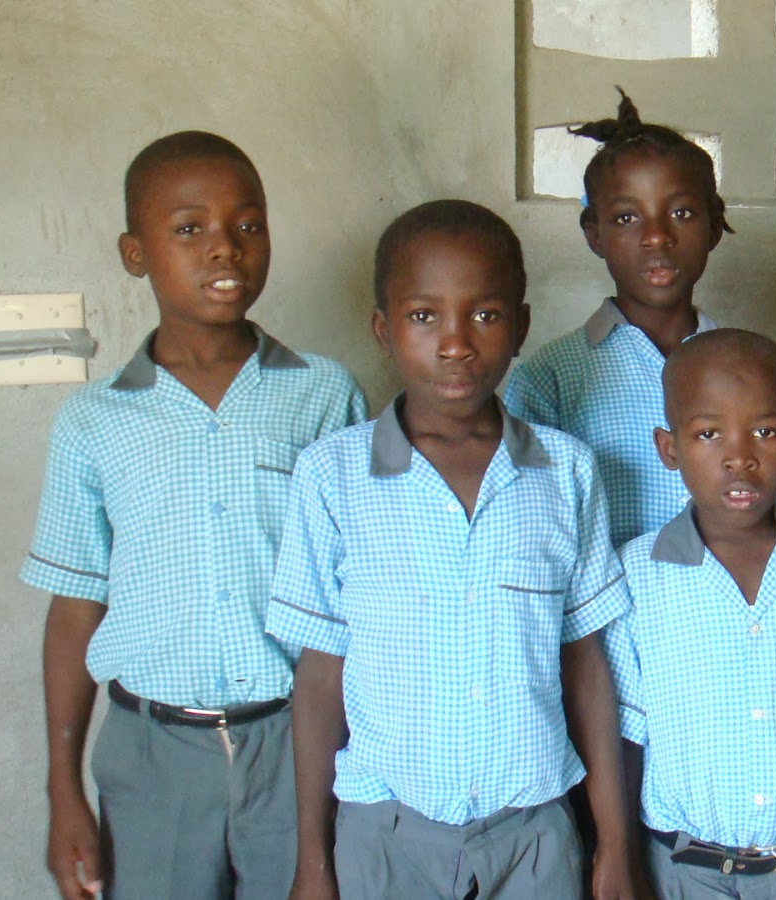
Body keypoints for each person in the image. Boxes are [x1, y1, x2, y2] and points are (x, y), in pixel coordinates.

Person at [25, 130, 367, 899]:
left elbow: (362, 589)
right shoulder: (95, 419)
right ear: (134, 252)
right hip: (152, 757)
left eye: (248, 226)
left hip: (299, 743)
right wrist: (63, 789)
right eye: (190, 230)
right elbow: (76, 608)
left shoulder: (323, 394)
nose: (225, 250)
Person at [267, 200, 635, 899]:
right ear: (383, 330)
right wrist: (313, 859)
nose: (457, 343)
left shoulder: (567, 473)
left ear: (522, 325)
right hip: (385, 832)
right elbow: (320, 678)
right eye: (424, 316)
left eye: (485, 315)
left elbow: (586, 661)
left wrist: (612, 843)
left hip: (534, 833)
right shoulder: (331, 477)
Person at [605, 329, 776, 898]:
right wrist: (625, 863)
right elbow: (627, 741)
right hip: (681, 873)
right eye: (708, 433)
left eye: (765, 431)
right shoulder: (637, 575)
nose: (739, 456)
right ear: (669, 448)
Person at [505, 87, 731, 547]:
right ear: (595, 235)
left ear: (713, 226)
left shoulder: (745, 368)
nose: (656, 236)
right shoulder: (549, 379)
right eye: (628, 218)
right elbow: (533, 529)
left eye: (682, 212)